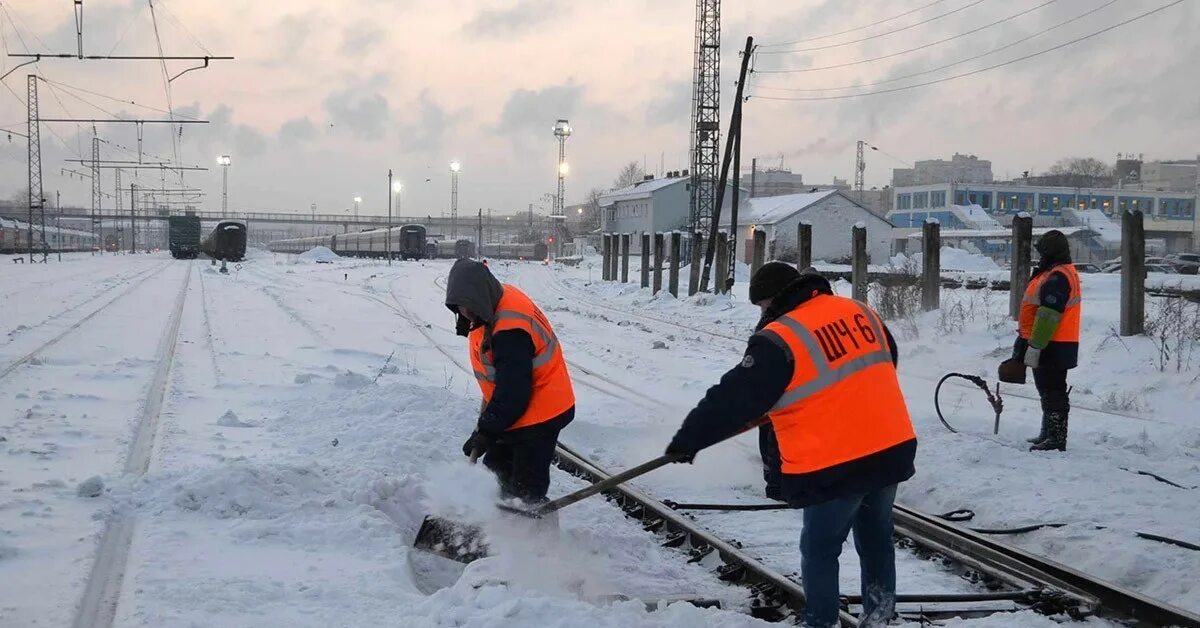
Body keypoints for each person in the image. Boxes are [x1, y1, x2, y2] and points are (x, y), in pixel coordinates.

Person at [665, 263, 916, 628]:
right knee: (876, 536)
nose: (761, 313)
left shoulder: (781, 336)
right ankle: (880, 616)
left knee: (820, 548)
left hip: (836, 458)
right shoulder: (857, 309)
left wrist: (690, 439)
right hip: (889, 444)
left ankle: (820, 622)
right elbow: (882, 361)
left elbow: (734, 397)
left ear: (773, 300)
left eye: (762, 305)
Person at [444, 258, 575, 504]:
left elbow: (513, 392)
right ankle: (495, 525)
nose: (464, 313)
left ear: (480, 297)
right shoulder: (495, 298)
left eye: (467, 306)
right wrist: (487, 427)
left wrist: (486, 431)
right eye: (459, 307)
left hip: (541, 411)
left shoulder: (510, 331)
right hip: (519, 406)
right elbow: (503, 384)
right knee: (495, 471)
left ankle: (528, 536)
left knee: (525, 487)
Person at [1011, 230, 1080, 452]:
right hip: (1052, 341)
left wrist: (1036, 346)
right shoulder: (1054, 273)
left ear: (1051, 252)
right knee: (1047, 390)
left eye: (1042, 251)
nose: (1039, 255)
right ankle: (1048, 433)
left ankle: (1056, 438)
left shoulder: (1058, 276)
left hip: (1052, 343)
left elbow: (1049, 314)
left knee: (1053, 391)